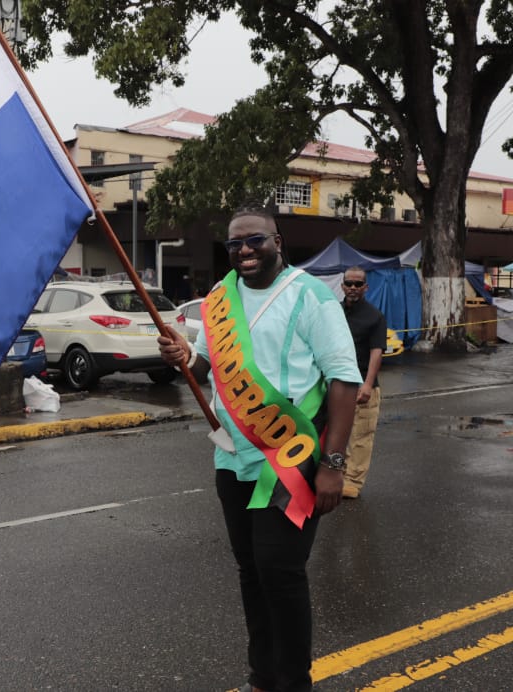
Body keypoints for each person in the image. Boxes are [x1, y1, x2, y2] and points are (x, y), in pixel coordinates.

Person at [157, 208, 361, 692]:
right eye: (234, 244)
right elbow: (207, 365)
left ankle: (294, 683)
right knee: (251, 571)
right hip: (233, 455)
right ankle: (263, 677)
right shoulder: (219, 299)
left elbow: (344, 380)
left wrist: (332, 464)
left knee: (280, 572)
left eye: (254, 241)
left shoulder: (309, 295)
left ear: (278, 241)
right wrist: (186, 357)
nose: (244, 251)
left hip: (293, 455)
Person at [339, 266, 387, 499]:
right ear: (342, 286)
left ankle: (353, 482)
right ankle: (335, 474)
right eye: (349, 283)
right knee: (334, 434)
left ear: (366, 287)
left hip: (362, 384)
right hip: (337, 384)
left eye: (358, 284)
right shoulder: (334, 313)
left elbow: (376, 352)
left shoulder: (374, 316)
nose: (353, 288)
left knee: (361, 435)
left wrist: (368, 385)